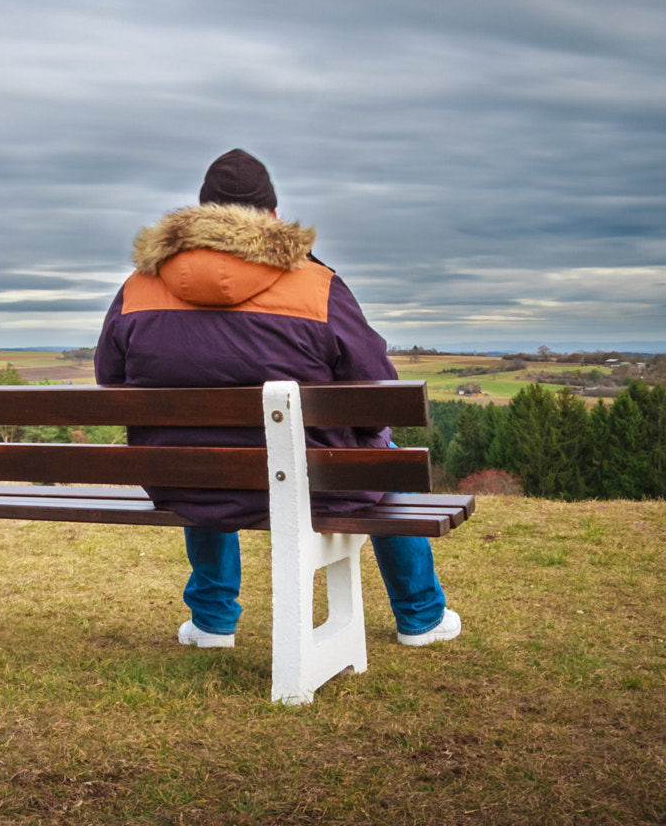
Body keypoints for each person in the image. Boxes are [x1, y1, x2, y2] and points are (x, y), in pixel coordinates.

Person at [94, 148, 461, 649]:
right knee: (384, 463)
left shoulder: (140, 287)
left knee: (200, 457)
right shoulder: (316, 285)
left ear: (200, 213)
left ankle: (212, 621)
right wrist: (371, 438)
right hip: (314, 482)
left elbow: (108, 379)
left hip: (185, 478)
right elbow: (376, 385)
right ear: (270, 216)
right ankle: (420, 617)